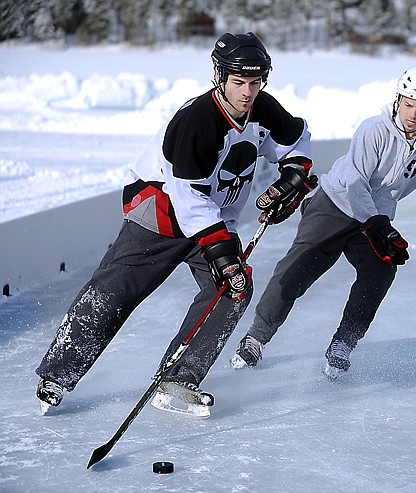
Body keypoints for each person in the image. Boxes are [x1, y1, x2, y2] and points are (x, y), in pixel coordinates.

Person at [34, 32, 316, 417]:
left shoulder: (263, 108)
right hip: (161, 211)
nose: (248, 92)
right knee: (115, 290)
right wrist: (220, 251)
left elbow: (297, 140)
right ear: (220, 75)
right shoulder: (197, 120)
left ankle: (178, 380)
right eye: (239, 82)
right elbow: (187, 196)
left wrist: (294, 174)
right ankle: (58, 374)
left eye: (255, 82)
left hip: (214, 216)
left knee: (233, 288)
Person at [230, 65, 416, 379]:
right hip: (334, 205)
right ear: (398, 99)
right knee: (295, 270)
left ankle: (343, 343)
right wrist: (377, 224)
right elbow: (356, 183)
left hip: (375, 220)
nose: (412, 114)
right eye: (408, 104)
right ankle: (256, 337)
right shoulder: (373, 129)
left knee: (382, 269)